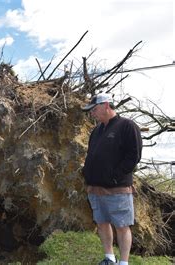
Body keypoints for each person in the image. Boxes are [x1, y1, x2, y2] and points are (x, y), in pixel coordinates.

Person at [82, 93, 142, 265]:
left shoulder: (127, 126)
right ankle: (109, 258)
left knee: (122, 226)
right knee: (102, 223)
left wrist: (116, 176)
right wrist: (87, 174)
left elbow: (134, 156)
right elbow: (91, 155)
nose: (92, 113)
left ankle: (123, 262)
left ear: (106, 105)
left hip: (118, 189)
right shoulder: (97, 130)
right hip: (95, 188)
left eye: (94, 109)